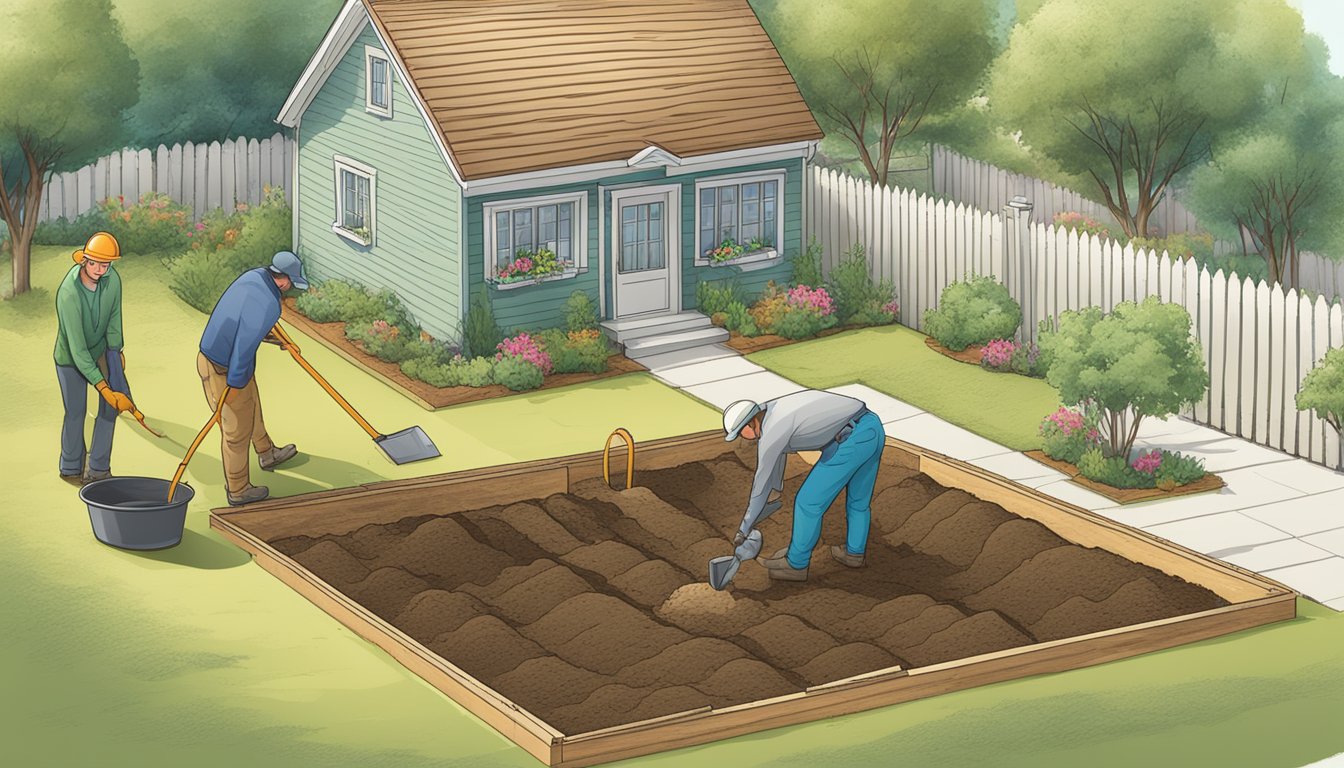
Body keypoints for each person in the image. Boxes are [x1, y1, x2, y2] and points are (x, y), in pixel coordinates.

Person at [722, 390, 885, 582]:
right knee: (858, 502)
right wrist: (774, 495)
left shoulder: (773, 429)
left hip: (848, 442)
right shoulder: (772, 412)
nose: (743, 437)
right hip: (871, 426)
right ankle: (854, 553)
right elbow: (777, 459)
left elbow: (761, 483)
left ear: (750, 423)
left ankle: (796, 564)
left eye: (741, 433)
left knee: (807, 503)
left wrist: (745, 528)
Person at [198, 251, 308, 506]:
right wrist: (235, 384)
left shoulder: (255, 277)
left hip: (222, 360)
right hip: (222, 369)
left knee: (253, 409)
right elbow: (244, 345)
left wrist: (277, 339)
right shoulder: (269, 304)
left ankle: (267, 453)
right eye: (291, 283)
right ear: (282, 281)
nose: (291, 288)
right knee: (236, 432)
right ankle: (238, 489)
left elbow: (247, 321)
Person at [54, 232, 135, 485]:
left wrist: (116, 352)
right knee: (76, 411)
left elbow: (114, 321)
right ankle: (71, 467)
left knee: (110, 408)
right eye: (95, 263)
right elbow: (77, 350)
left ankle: (99, 468)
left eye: (105, 264)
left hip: (101, 350)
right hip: (70, 358)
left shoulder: (113, 281)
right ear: (84, 261)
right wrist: (101, 385)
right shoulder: (68, 293)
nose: (100, 270)